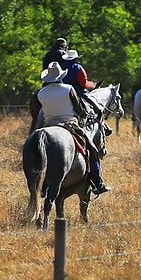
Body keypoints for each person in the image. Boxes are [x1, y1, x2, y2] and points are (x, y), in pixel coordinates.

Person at [37, 61, 111, 195]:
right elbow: (79, 109)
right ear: (61, 75)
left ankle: (41, 187)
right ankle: (97, 182)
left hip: (48, 125)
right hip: (69, 124)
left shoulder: (41, 92)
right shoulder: (68, 89)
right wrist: (82, 114)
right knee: (92, 150)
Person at [61, 49, 104, 119]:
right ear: (75, 58)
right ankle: (98, 112)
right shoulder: (78, 67)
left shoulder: (61, 66)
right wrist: (91, 85)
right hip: (77, 92)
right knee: (90, 101)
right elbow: (83, 83)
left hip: (62, 91)